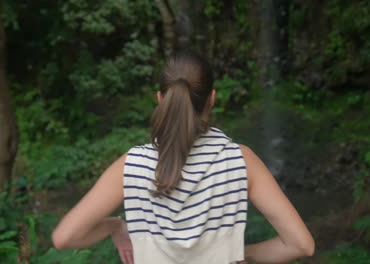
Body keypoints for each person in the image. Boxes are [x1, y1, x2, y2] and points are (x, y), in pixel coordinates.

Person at [52, 52, 315, 263]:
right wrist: (237, 255)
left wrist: (114, 226)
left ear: (160, 99)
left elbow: (64, 238)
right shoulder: (240, 160)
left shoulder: (131, 165)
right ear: (212, 99)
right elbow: (301, 245)